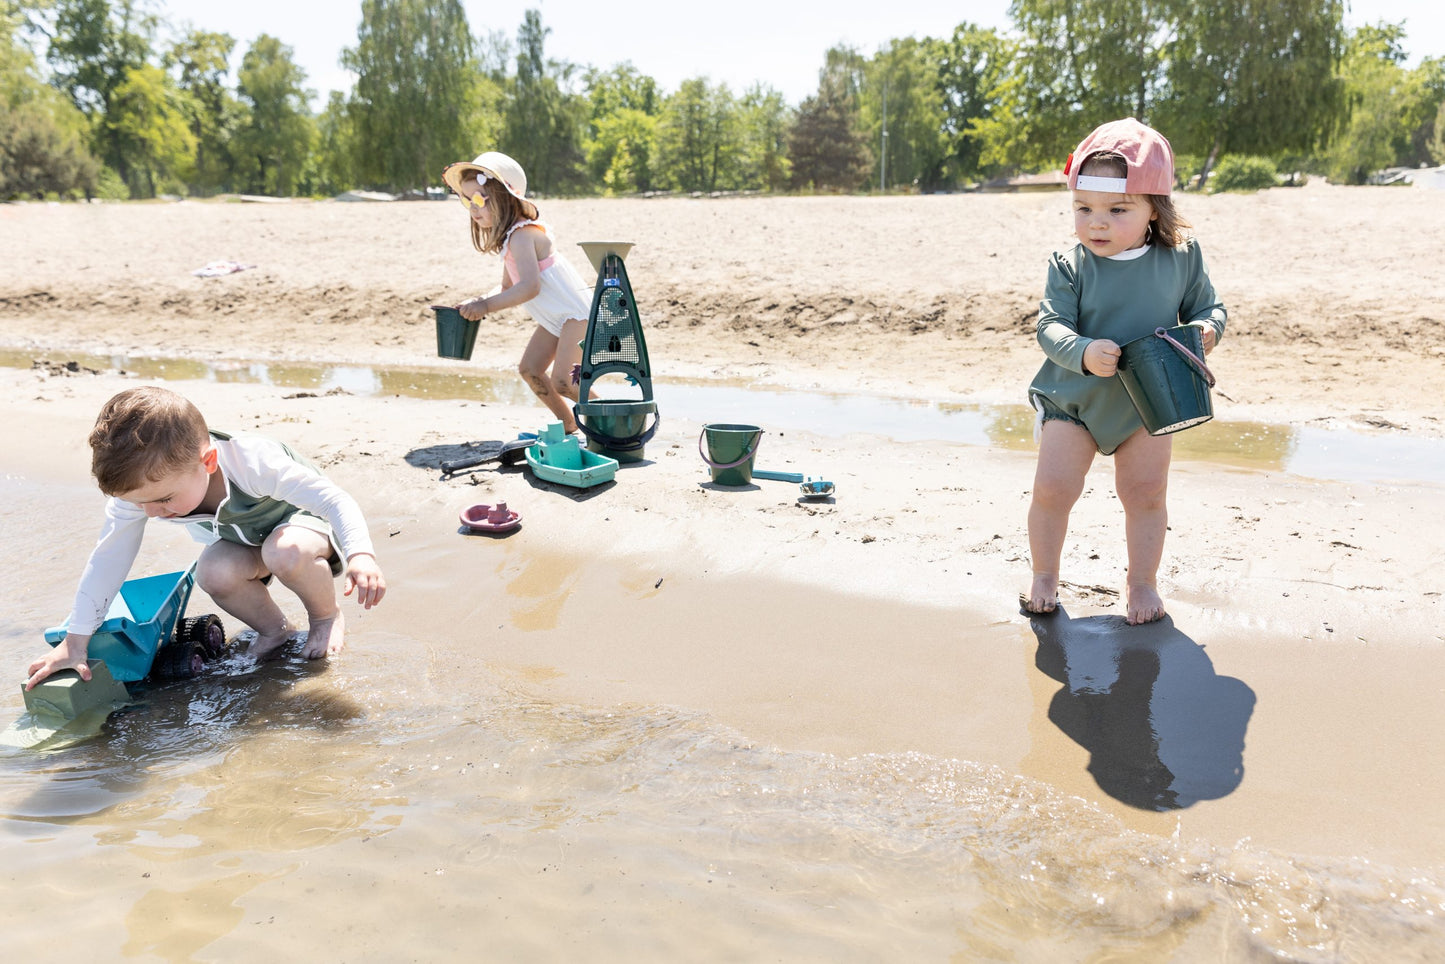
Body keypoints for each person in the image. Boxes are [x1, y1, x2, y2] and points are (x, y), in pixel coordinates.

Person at [26, 386, 387, 690]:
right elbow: (108, 559)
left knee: (285, 551)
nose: (152, 512)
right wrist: (75, 642)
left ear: (209, 461)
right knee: (211, 571)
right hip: (245, 539)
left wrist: (361, 554)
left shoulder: (251, 462)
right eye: (140, 503)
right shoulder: (145, 491)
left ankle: (324, 617)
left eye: (165, 500)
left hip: (299, 527)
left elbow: (334, 499)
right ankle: (274, 630)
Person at [1023, 118, 1226, 625]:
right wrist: (1084, 350)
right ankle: (1044, 574)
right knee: (1053, 489)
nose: (1097, 223)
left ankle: (1141, 584)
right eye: (1083, 208)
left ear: (1154, 208)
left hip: (1151, 401)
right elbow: (1050, 326)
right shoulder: (1068, 264)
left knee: (1146, 493)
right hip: (1074, 398)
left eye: (1117, 210)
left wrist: (1207, 330)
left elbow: (1209, 307)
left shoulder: (1180, 258)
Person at [442, 151, 593, 433]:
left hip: (578, 316)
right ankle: (570, 426)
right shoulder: (512, 239)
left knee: (565, 382)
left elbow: (530, 287)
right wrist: (477, 302)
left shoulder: (524, 235)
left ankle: (616, 425)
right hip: (558, 319)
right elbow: (507, 287)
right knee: (530, 370)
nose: (473, 209)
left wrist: (486, 307)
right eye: (466, 200)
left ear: (503, 196)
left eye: (478, 199)